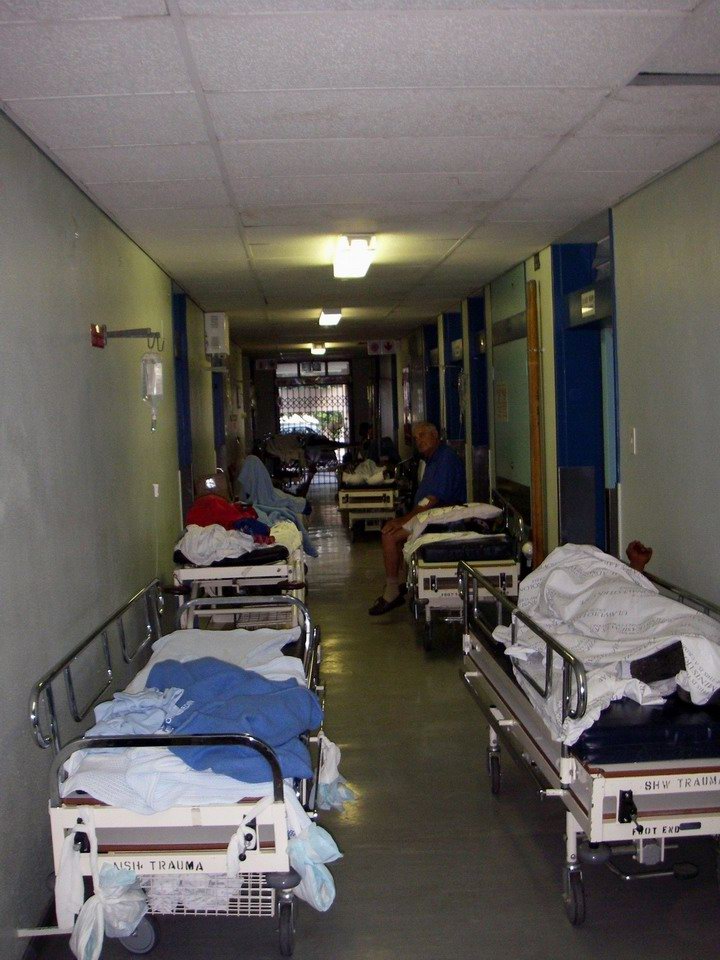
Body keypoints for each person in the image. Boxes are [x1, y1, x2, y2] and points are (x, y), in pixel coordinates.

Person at [368, 421, 466, 615]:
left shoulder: (445, 459)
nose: (419, 440)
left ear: (435, 435)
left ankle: (392, 591)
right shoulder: (431, 460)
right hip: (429, 516)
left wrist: (404, 520)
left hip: (442, 520)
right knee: (392, 531)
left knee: (390, 535)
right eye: (416, 438)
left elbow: (432, 499)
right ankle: (400, 582)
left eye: (422, 435)